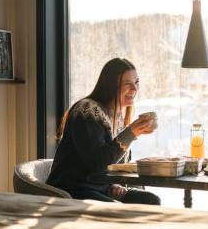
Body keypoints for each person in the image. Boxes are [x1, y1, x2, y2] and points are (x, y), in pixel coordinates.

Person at [47, 58, 161, 205]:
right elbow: (97, 163)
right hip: (72, 189)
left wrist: (116, 184)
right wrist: (130, 133)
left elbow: (115, 164)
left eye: (136, 82)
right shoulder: (87, 110)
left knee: (151, 200)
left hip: (99, 188)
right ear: (111, 85)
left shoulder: (119, 116)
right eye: (127, 84)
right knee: (119, 209)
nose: (134, 89)